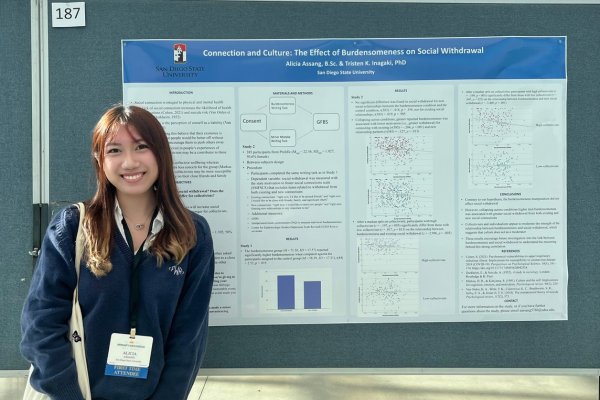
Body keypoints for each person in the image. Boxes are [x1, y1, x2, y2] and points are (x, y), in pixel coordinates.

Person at [21, 105, 215, 400]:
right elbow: (41, 323)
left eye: (141, 147)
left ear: (161, 154)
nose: (130, 161)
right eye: (114, 150)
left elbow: (189, 336)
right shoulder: (73, 227)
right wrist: (69, 394)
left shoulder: (192, 234)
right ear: (100, 159)